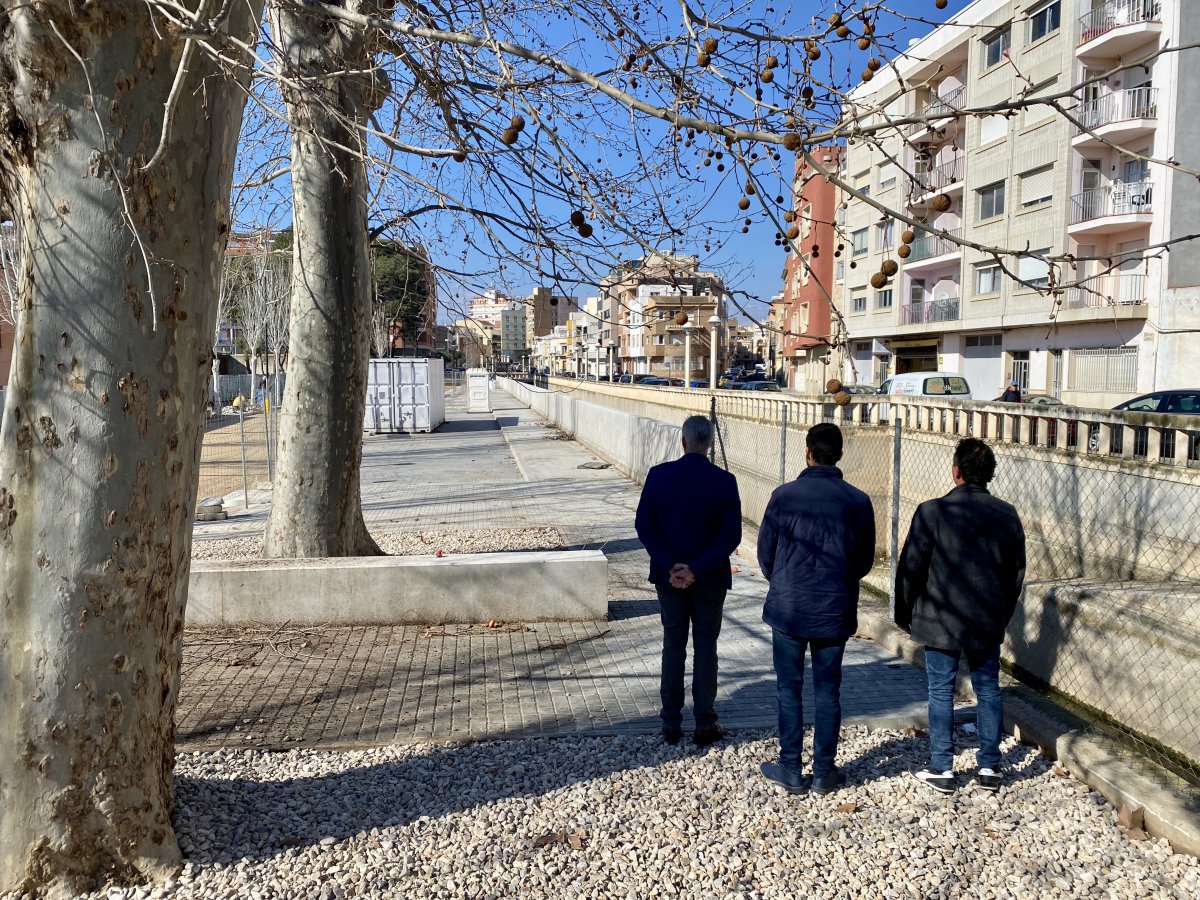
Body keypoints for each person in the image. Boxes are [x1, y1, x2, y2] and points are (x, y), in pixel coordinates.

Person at [895, 438, 1026, 795]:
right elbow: (1016, 574)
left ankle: (943, 767)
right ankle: (989, 766)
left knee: (941, 689)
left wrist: (904, 612)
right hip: (986, 617)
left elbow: (911, 567)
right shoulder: (1006, 514)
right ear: (990, 474)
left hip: (940, 616)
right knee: (988, 689)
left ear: (955, 471)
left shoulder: (932, 511)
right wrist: (1003, 614)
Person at [756, 423, 876, 795]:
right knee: (828, 690)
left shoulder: (784, 496)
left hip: (789, 607)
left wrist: (783, 579)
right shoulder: (858, 501)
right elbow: (864, 561)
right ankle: (824, 771)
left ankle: (791, 766)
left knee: (788, 688)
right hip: (833, 608)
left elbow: (765, 554)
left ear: (807, 452)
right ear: (839, 455)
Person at [635, 415, 742, 747]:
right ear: (709, 443)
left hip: (668, 579)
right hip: (709, 579)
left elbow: (644, 526)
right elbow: (731, 535)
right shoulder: (725, 481)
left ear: (683, 441)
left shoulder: (659, 476)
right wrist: (697, 568)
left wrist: (671, 566)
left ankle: (670, 723)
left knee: (673, 645)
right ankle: (704, 723)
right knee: (706, 648)